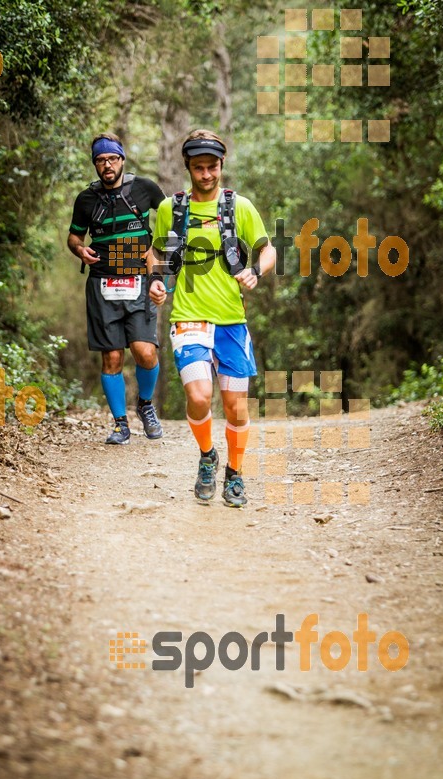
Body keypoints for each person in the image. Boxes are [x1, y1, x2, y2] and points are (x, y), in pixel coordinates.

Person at [149, 130, 276, 507]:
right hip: (189, 316)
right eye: (199, 168)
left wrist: (256, 271)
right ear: (188, 168)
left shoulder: (240, 207)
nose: (206, 175)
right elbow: (155, 253)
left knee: (236, 407)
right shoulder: (173, 209)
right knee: (200, 397)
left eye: (212, 167)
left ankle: (234, 474)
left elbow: (266, 248)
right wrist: (156, 281)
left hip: (231, 321)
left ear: (221, 165)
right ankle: (207, 455)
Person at [68, 133, 165, 444]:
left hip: (138, 280)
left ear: (122, 160)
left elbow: (168, 225)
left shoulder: (146, 189)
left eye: (111, 159)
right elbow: (74, 237)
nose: (106, 165)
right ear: (95, 164)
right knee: (111, 358)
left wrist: (159, 269)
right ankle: (120, 424)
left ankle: (146, 405)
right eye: (100, 160)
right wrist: (80, 250)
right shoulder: (86, 199)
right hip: (101, 284)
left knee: (144, 351)